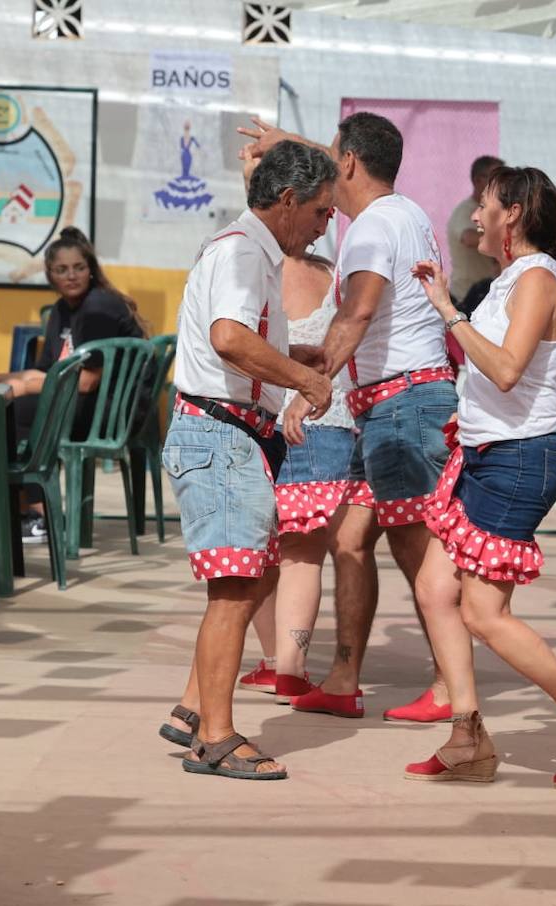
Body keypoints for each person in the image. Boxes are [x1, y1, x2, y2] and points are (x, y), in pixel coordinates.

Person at [405, 166, 556, 788]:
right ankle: (467, 737)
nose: (472, 218)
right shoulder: (511, 278)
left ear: (513, 214)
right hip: (483, 451)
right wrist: (451, 307)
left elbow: (507, 370)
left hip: (517, 458)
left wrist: (451, 314)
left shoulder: (535, 279)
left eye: (482, 206)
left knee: (482, 610)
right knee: (434, 588)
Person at [241, 112, 457, 724]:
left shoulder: (367, 230)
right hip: (394, 405)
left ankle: (448, 686)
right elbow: (364, 318)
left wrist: (314, 385)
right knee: (351, 540)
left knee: (421, 556)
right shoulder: (407, 213)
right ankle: (342, 677)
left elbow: (357, 313)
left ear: (351, 165)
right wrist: (289, 143)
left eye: (334, 157)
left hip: (403, 407)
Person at [158, 140, 335, 780]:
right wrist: (304, 379)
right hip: (222, 438)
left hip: (231, 436)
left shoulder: (245, 249)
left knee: (245, 583)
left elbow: (241, 339)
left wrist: (298, 362)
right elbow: (229, 339)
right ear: (286, 202)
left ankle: (196, 714)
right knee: (235, 591)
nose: (324, 227)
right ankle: (217, 735)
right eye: (320, 213)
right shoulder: (242, 252)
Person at [236, 251, 360, 703]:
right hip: (326, 422)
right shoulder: (331, 272)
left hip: (258, 421)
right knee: (302, 554)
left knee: (263, 551)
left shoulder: (246, 264)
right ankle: (289, 668)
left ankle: (275, 662)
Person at [0, 228, 148, 542]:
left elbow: (87, 381)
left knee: (20, 411)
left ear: (91, 270)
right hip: (82, 403)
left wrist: (24, 388)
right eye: (62, 270)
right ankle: (11, 508)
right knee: (4, 402)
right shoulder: (62, 310)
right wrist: (1, 378)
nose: (71, 275)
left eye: (79, 268)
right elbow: (48, 369)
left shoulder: (99, 307)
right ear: (50, 275)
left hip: (111, 410)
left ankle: (41, 514)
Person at [448, 155, 504, 304]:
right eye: (497, 178)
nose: (502, 184)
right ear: (478, 180)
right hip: (466, 297)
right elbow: (468, 238)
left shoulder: (496, 210)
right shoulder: (465, 210)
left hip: (486, 294)